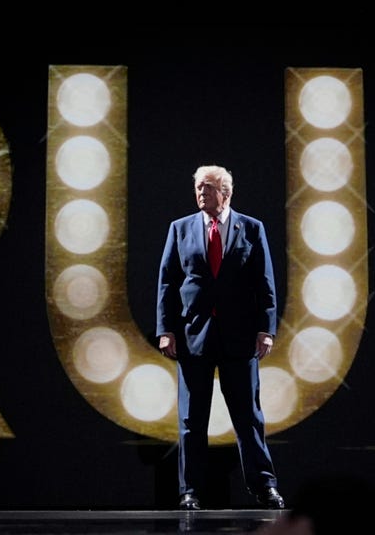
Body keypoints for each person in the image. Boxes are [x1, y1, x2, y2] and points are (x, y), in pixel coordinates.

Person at [156, 165, 284, 510]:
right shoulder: (180, 229)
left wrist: (265, 329)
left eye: (208, 188)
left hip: (239, 337)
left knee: (248, 417)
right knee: (191, 420)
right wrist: (166, 329)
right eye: (198, 187)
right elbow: (168, 281)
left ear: (226, 193)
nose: (201, 194)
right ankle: (190, 491)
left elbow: (265, 283)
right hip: (193, 336)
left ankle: (264, 486)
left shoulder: (252, 228)